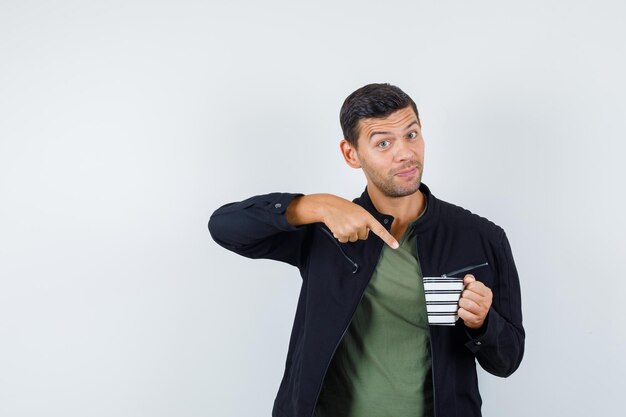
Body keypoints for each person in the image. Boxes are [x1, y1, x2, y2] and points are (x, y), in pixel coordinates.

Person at [208, 83, 524, 417]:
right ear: (351, 154)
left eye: (411, 134)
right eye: (383, 143)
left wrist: (483, 324)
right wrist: (314, 205)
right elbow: (224, 228)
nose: (404, 153)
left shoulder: (479, 237)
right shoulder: (326, 228)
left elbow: (508, 360)